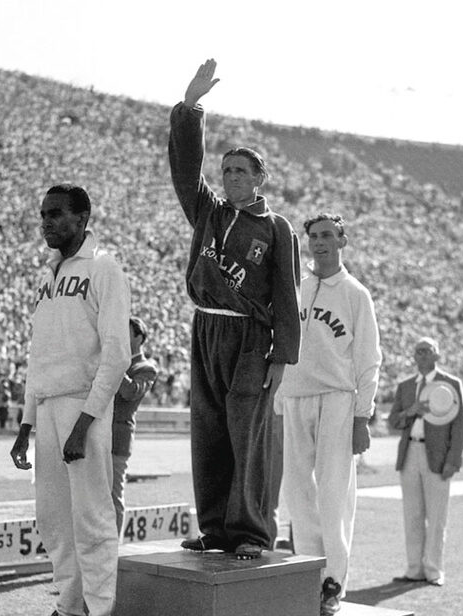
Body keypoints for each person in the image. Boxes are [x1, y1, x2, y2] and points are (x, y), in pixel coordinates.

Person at [169, 59, 301, 560]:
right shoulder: (208, 211)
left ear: (260, 177)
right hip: (205, 329)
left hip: (249, 338)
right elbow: (185, 170)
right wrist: (189, 107)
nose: (229, 176)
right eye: (225, 169)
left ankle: (249, 531)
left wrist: (280, 356)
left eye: (239, 170)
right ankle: (214, 529)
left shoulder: (277, 228)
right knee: (207, 430)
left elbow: (287, 297)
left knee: (249, 436)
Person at [10, 184, 131, 616]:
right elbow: (38, 355)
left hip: (85, 407)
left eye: (56, 214)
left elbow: (118, 354)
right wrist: (26, 424)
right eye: (43, 213)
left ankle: (100, 610)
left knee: (92, 519)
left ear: (82, 219)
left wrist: (84, 422)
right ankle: (70, 605)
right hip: (46, 410)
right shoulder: (49, 276)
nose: (46, 222)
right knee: (54, 520)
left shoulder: (104, 269)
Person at [277, 213, 382, 616]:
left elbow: (368, 359)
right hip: (297, 397)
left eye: (327, 235)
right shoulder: (296, 289)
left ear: (342, 241)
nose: (319, 242)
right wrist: (279, 399)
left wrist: (362, 416)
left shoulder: (355, 293)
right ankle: (308, 576)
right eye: (313, 236)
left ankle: (333, 583)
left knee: (334, 494)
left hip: (338, 399)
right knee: (298, 492)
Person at [386, 337, 463, 587]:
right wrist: (411, 411)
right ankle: (414, 569)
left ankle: (434, 570)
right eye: (417, 351)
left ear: (437, 356)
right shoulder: (405, 386)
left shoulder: (451, 385)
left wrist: (453, 461)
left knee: (436, 516)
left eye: (426, 351)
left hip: (437, 457)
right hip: (410, 452)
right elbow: (393, 421)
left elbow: (461, 425)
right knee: (412, 514)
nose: (421, 355)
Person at [111, 316, 159, 534]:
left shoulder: (146, 367)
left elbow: (130, 392)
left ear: (139, 337)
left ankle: (113, 548)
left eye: (126, 331)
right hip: (98, 434)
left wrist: (114, 365)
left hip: (118, 436)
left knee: (113, 495)